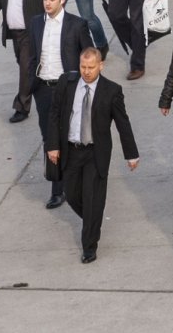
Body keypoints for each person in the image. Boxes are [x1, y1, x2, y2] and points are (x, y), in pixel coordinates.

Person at [47, 46, 137, 262]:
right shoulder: (66, 84)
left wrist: (131, 154)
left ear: (101, 66)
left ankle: (89, 246)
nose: (86, 71)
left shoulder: (111, 90)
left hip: (96, 152)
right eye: (83, 67)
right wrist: (52, 145)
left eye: (91, 67)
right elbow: (54, 114)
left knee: (93, 198)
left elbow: (122, 124)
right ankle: (92, 220)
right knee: (72, 194)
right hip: (71, 149)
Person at [28, 0, 92, 206]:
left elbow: (88, 56)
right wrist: (30, 84)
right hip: (43, 88)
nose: (47, 3)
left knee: (72, 136)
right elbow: (31, 55)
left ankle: (76, 181)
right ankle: (57, 188)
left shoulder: (77, 24)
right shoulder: (36, 23)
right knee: (49, 138)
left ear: (62, 0)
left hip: (68, 89)